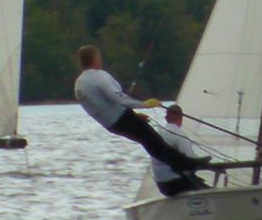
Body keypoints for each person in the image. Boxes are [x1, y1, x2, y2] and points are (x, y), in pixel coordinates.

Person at [74, 45, 209, 175]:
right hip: (122, 118)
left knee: (148, 141)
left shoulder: (79, 83)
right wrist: (146, 104)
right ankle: (185, 164)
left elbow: (101, 106)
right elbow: (120, 99)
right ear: (95, 58)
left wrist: (134, 116)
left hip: (112, 124)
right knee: (153, 140)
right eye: (99, 57)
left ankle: (180, 164)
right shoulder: (98, 76)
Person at [153, 105, 209, 197]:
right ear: (181, 117)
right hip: (177, 183)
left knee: (197, 181)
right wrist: (206, 162)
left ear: (166, 117)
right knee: (209, 191)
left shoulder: (158, 133)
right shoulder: (180, 135)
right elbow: (191, 158)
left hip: (162, 185)